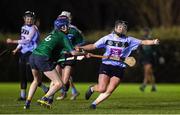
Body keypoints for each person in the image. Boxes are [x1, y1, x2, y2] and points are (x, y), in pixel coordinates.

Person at [79, 20, 159, 109]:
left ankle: (94, 104)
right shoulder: (107, 38)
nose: (122, 29)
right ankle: (92, 88)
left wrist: (154, 42)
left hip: (119, 67)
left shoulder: (129, 40)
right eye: (120, 27)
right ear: (116, 28)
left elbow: (143, 42)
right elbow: (93, 46)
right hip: (106, 64)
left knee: (110, 89)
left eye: (124, 28)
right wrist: (81, 48)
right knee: (102, 88)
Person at [23, 16, 80, 109]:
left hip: (33, 56)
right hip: (42, 58)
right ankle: (44, 98)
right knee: (59, 84)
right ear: (62, 27)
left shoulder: (53, 33)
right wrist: (84, 53)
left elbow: (59, 48)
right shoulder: (63, 36)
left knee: (36, 80)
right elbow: (73, 52)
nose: (68, 27)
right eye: (67, 25)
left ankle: (27, 103)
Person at [6, 11, 48, 101]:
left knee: (31, 75)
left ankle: (45, 88)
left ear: (33, 20)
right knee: (22, 74)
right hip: (24, 53)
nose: (29, 20)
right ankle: (22, 96)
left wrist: (12, 41)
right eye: (27, 18)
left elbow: (28, 40)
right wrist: (16, 49)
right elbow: (22, 40)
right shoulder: (23, 28)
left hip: (33, 53)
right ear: (24, 19)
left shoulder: (33, 28)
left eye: (31, 19)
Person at [55, 11, 85, 100]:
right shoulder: (57, 28)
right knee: (57, 75)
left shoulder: (73, 29)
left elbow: (81, 40)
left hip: (69, 55)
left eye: (64, 17)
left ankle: (63, 93)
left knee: (65, 77)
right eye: (61, 17)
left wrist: (77, 47)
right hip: (58, 55)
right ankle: (73, 91)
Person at [139, 28, 158, 92]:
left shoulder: (151, 39)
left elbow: (155, 49)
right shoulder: (142, 39)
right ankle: (153, 86)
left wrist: (158, 57)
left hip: (150, 58)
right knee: (150, 73)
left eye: (146, 32)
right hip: (144, 58)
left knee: (147, 71)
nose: (145, 33)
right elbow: (140, 49)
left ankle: (144, 84)